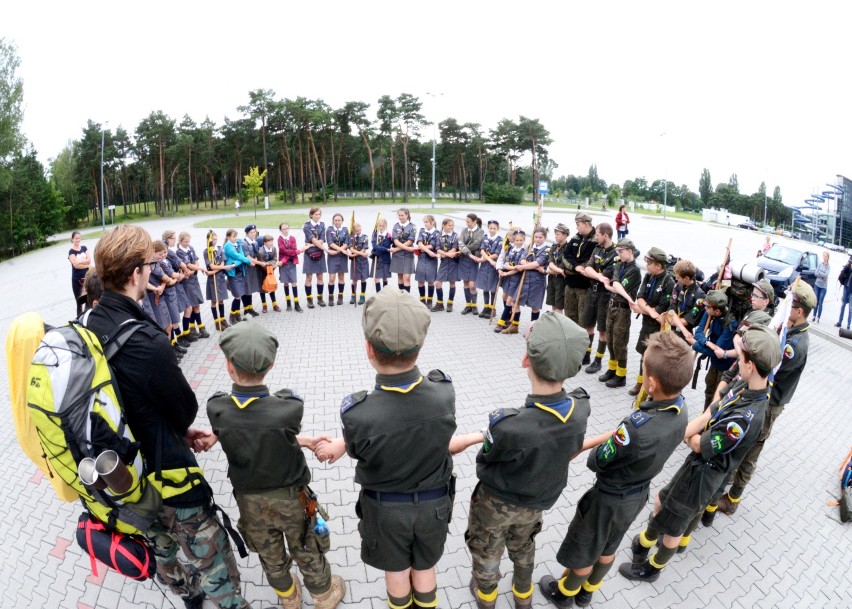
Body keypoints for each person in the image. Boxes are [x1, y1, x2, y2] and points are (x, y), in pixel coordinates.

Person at [85, 225, 250, 609]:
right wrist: (179, 426)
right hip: (167, 470)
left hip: (126, 472)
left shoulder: (93, 324)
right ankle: (227, 602)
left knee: (159, 542)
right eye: (149, 264)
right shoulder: (147, 339)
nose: (152, 268)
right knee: (208, 552)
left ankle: (188, 596)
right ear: (134, 275)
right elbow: (184, 408)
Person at [314, 287, 456, 609]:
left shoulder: (357, 413)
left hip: (386, 511)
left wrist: (341, 443)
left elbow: (366, 443)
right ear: (420, 346)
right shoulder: (444, 393)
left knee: (397, 571)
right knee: (425, 568)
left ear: (368, 348)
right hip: (434, 504)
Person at [451, 313, 594, 609]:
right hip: (537, 503)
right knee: (524, 546)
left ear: (526, 361)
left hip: (495, 505)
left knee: (487, 553)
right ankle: (523, 597)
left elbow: (486, 460)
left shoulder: (508, 424)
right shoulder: (581, 408)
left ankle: (487, 598)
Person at [539, 332, 692, 608]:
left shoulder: (636, 427)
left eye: (643, 368)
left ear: (652, 382)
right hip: (637, 496)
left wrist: (597, 445)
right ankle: (588, 592)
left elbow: (597, 460)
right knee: (610, 546)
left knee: (586, 549)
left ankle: (564, 593)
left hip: (608, 500)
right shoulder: (680, 410)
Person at [618, 324, 781, 582]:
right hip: (697, 465)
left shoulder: (744, 419)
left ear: (751, 365)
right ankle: (645, 541)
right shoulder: (747, 386)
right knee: (663, 500)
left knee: (674, 527)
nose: (737, 363)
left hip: (705, 474)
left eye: (739, 359)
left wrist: (681, 434)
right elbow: (711, 412)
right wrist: (683, 430)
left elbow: (700, 445)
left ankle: (652, 569)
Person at [203, 321, 345, 609]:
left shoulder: (217, 408)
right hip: (291, 499)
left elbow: (253, 428)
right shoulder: (288, 408)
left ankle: (289, 598)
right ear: (271, 366)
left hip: (249, 500)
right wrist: (303, 440)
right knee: (306, 548)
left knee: (270, 554)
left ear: (229, 366)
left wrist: (302, 441)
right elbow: (272, 427)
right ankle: (324, 596)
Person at [715, 281, 816, 516]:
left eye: (789, 305)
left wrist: (744, 350)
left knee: (752, 449)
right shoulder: (789, 329)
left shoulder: (796, 344)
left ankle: (732, 499)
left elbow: (769, 366)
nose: (784, 309)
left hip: (770, 403)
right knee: (744, 442)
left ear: (799, 311)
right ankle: (728, 476)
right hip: (762, 395)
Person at [627, 247, 675, 396]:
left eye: (649, 262)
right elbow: (640, 297)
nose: (646, 265)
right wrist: (649, 310)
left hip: (658, 327)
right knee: (643, 355)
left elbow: (662, 309)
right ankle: (640, 383)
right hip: (647, 323)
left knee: (654, 359)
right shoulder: (649, 276)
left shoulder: (669, 282)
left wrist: (643, 309)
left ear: (659, 265)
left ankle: (653, 387)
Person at [598, 238, 641, 388]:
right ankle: (612, 369)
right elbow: (615, 284)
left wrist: (612, 287)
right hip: (611, 306)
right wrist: (613, 287)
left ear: (629, 251)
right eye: (617, 252)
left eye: (621, 251)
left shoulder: (634, 271)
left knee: (619, 342)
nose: (619, 254)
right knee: (610, 338)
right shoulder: (619, 264)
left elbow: (617, 285)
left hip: (622, 309)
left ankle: (621, 375)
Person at [577, 223, 618, 375]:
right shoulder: (597, 248)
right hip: (592, 292)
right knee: (587, 325)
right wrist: (598, 276)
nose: (595, 237)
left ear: (605, 236)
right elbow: (588, 267)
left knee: (603, 330)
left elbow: (607, 276)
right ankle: (586, 355)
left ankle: (598, 360)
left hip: (604, 296)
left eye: (598, 235)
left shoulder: (616, 254)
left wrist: (596, 275)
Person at [692, 290, 738, 409]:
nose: (705, 308)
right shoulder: (710, 313)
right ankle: (704, 415)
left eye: (707, 307)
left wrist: (695, 345)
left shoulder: (730, 324)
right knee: (709, 390)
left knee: (718, 397)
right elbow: (698, 332)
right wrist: (707, 342)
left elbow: (717, 351)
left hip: (725, 368)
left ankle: (711, 421)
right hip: (714, 363)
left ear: (717, 311)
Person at [561, 214, 596, 349]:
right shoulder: (576, 237)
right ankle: (571, 347)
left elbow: (589, 261)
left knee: (584, 321)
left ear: (586, 223)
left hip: (584, 288)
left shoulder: (594, 240)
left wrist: (575, 268)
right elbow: (566, 255)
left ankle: (584, 351)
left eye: (578, 224)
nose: (576, 227)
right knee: (570, 318)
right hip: (570, 285)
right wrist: (575, 267)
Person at [512, 227, 549, 329]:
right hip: (525, 278)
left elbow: (538, 262)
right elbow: (521, 259)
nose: (537, 239)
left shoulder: (547, 250)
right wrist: (530, 265)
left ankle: (533, 328)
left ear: (545, 238)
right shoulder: (529, 247)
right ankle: (514, 325)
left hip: (537, 281)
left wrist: (524, 266)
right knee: (515, 302)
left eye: (540, 237)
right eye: (536, 237)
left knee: (535, 306)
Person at [176, 232, 210, 339]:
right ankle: (196, 328)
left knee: (197, 304)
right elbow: (188, 265)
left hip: (194, 279)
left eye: (188, 241)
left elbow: (196, 261)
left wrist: (193, 269)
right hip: (187, 283)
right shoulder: (179, 252)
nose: (187, 243)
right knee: (192, 305)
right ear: (180, 241)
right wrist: (199, 269)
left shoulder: (190, 248)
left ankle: (197, 327)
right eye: (185, 242)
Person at [665, 259, 705, 346]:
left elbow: (687, 320)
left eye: (678, 277)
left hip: (684, 338)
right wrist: (681, 327)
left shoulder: (700, 295)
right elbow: (671, 310)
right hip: (671, 331)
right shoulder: (678, 286)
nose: (676, 278)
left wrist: (672, 321)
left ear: (686, 278)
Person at [495, 229, 528, 334]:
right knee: (504, 297)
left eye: (520, 240)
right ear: (514, 239)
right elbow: (506, 263)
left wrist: (509, 271)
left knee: (510, 301)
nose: (518, 242)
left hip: (517, 279)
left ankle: (501, 322)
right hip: (508, 277)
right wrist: (509, 269)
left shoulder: (525, 251)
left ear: (524, 240)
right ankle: (510, 318)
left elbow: (519, 268)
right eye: (516, 240)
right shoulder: (511, 248)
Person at [203, 231, 233, 331]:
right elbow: (211, 266)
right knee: (214, 300)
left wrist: (215, 270)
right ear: (208, 240)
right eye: (213, 239)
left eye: (216, 239)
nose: (214, 241)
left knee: (221, 299)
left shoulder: (220, 249)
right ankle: (216, 321)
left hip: (220, 278)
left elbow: (222, 262)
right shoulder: (207, 251)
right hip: (213, 279)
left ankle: (222, 319)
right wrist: (220, 268)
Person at [223, 228, 255, 325]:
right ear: (228, 237)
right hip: (233, 274)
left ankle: (237, 315)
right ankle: (232, 315)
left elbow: (240, 256)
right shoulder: (228, 246)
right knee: (237, 295)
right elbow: (238, 256)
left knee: (240, 295)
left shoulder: (238, 243)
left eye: (236, 236)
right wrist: (248, 261)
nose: (236, 238)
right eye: (233, 236)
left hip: (240, 272)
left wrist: (235, 263)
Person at [474, 220, 502, 319]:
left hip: (493, 268)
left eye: (494, 228)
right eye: (490, 228)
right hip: (486, 265)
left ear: (497, 229)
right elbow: (482, 250)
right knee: (485, 286)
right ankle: (486, 307)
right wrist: (489, 260)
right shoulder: (485, 237)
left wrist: (487, 259)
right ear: (488, 228)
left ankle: (492, 308)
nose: (492, 230)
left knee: (492, 288)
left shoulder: (500, 240)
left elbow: (497, 254)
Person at [458, 213, 484, 315]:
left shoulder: (480, 232)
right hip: (464, 259)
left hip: (474, 260)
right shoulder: (464, 230)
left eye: (468, 222)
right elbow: (460, 243)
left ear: (475, 221)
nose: (467, 224)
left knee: (472, 285)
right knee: (465, 284)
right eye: (466, 222)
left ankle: (474, 305)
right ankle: (468, 305)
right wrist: (466, 252)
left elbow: (476, 244)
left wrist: (463, 249)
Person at [433, 218, 460, 313]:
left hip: (453, 263)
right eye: (449, 225)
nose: (451, 227)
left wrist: (445, 254)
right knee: (438, 283)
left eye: (452, 225)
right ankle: (440, 303)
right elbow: (437, 248)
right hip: (444, 262)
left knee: (452, 282)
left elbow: (454, 248)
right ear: (444, 225)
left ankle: (450, 303)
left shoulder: (455, 236)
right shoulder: (439, 235)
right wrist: (446, 254)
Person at [303, 207, 328, 308]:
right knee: (309, 277)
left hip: (319, 253)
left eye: (319, 214)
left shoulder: (322, 225)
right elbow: (312, 239)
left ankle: (320, 298)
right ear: (311, 215)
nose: (317, 216)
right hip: (309, 254)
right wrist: (322, 247)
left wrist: (314, 244)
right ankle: (309, 300)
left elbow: (322, 239)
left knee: (320, 276)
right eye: (316, 214)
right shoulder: (306, 226)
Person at [414, 215, 439, 308]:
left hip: (431, 260)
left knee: (430, 280)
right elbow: (419, 243)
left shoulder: (437, 233)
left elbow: (432, 245)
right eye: (424, 222)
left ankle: (429, 300)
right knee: (420, 280)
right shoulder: (422, 231)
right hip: (422, 258)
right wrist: (427, 251)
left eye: (427, 222)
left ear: (432, 222)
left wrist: (422, 248)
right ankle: (422, 299)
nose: (425, 224)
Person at [545, 224, 570, 315]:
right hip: (552, 278)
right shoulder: (554, 247)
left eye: (558, 234)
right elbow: (550, 263)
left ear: (565, 235)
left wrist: (554, 270)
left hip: (561, 281)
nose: (555, 236)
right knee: (553, 303)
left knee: (559, 306)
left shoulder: (568, 248)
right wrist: (559, 271)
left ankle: (558, 325)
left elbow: (563, 266)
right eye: (555, 234)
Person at [390, 208, 417, 292]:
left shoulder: (413, 226)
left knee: (407, 277)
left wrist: (396, 249)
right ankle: (401, 296)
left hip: (408, 255)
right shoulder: (396, 226)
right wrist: (405, 248)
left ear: (407, 215)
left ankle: (406, 298)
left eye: (402, 215)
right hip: (397, 255)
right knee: (400, 276)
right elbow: (395, 240)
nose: (401, 217)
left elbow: (410, 241)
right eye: (399, 215)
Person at [277, 223, 302, 312]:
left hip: (291, 263)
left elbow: (293, 250)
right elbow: (283, 250)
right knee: (286, 283)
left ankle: (296, 304)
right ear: (281, 230)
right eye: (283, 229)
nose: (285, 230)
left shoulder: (292, 238)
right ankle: (288, 303)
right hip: (283, 265)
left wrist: (284, 259)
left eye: (287, 228)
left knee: (294, 282)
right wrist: (295, 252)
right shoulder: (280, 239)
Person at [325, 213, 349, 306]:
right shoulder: (329, 230)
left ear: (342, 221)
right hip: (333, 255)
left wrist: (340, 251)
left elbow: (347, 242)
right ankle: (331, 297)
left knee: (341, 277)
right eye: (335, 220)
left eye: (339, 220)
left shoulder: (345, 230)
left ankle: (340, 296)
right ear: (333, 221)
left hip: (342, 256)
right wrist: (341, 250)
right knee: (332, 278)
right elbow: (330, 243)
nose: (337, 222)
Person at [241, 225, 264, 317]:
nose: (254, 234)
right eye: (251, 232)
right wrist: (260, 263)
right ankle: (246, 309)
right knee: (246, 289)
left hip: (253, 268)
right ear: (247, 233)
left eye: (255, 232)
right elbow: (248, 257)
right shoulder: (244, 243)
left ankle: (250, 308)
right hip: (246, 269)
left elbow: (255, 254)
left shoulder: (255, 242)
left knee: (250, 288)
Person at [69, 231, 90, 318]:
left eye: (79, 238)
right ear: (72, 239)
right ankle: (79, 319)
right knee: (79, 302)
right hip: (77, 279)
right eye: (76, 238)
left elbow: (89, 260)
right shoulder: (71, 252)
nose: (78, 240)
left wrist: (80, 261)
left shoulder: (84, 248)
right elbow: (76, 266)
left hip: (87, 277)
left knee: (88, 299)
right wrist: (87, 265)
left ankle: (87, 318)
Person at [348, 223, 371, 305]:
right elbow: (351, 249)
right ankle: (353, 295)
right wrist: (358, 254)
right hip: (355, 261)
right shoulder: (351, 237)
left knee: (363, 278)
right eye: (356, 231)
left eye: (359, 230)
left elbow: (364, 249)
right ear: (353, 230)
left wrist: (359, 253)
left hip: (363, 261)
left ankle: (362, 295)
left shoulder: (365, 237)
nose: (358, 232)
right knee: (354, 279)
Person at [258, 234, 281, 312]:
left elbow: (275, 260)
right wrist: (272, 265)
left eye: (272, 241)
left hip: (271, 271)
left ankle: (274, 304)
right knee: (262, 288)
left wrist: (268, 264)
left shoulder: (274, 249)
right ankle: (264, 305)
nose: (271, 243)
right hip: (262, 272)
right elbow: (262, 264)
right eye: (269, 241)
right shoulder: (260, 252)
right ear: (264, 243)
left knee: (272, 285)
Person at [371, 218, 392, 293]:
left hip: (385, 259)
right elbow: (374, 246)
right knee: (376, 278)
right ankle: (378, 294)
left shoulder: (388, 235)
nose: (381, 227)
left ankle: (385, 294)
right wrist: (385, 250)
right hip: (377, 259)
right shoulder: (375, 234)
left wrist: (375, 253)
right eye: (379, 226)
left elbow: (387, 245)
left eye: (383, 226)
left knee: (385, 277)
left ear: (386, 226)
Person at [813, 251, 830, 323]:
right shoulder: (820, 264)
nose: (824, 257)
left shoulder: (828, 266)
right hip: (817, 284)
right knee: (816, 301)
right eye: (823, 256)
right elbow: (816, 273)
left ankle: (818, 318)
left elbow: (826, 275)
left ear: (828, 257)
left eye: (825, 256)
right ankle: (814, 316)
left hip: (823, 286)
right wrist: (821, 274)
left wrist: (820, 273)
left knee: (820, 302)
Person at [837, 256, 852, 329]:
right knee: (843, 305)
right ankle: (839, 322)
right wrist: (848, 265)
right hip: (846, 287)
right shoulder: (848, 266)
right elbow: (843, 272)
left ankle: (848, 325)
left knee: (850, 308)